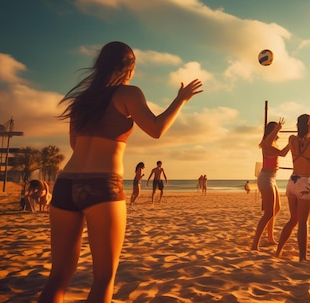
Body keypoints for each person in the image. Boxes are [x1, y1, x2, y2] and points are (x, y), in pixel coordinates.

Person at [39, 41, 202, 303]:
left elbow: (74, 145)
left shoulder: (83, 101)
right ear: (129, 67)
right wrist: (180, 100)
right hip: (102, 184)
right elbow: (156, 129)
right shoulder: (128, 93)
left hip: (67, 183)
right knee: (104, 277)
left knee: (57, 277)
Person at [276, 105, 310, 261]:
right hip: (305, 181)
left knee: (293, 219)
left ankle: (278, 251)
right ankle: (302, 257)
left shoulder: (291, 139)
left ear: (297, 126)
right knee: (303, 222)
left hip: (292, 181)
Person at [251, 118, 290, 251]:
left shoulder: (272, 143)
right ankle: (255, 244)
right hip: (265, 178)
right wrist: (278, 129)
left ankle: (270, 237)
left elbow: (283, 152)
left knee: (276, 209)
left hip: (272, 178)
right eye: (275, 131)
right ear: (271, 132)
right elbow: (282, 153)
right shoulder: (266, 144)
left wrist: (291, 142)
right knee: (268, 213)